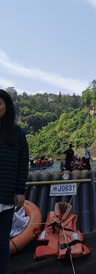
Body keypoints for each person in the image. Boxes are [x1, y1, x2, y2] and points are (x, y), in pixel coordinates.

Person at [0, 89, 29, 274]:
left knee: (2, 242)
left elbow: (22, 161)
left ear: (6, 107)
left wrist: (20, 190)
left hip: (5, 195)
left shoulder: (16, 132)